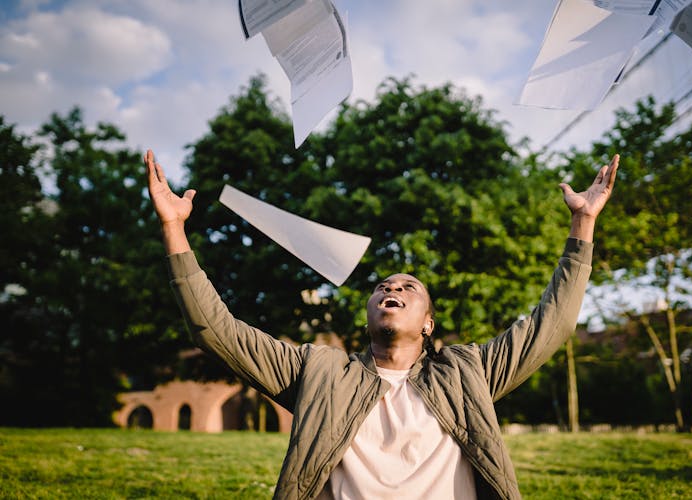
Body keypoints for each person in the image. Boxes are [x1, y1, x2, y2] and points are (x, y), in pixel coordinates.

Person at [144, 149, 618, 500]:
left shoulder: (467, 370)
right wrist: (174, 228)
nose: (392, 289)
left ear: (428, 324)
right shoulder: (320, 372)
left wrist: (583, 225)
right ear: (370, 312)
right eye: (382, 287)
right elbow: (214, 329)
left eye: (409, 287)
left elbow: (550, 326)